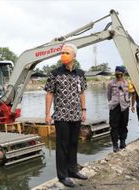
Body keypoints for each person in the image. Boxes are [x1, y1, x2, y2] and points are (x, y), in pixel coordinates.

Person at [44, 43, 88, 188]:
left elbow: (81, 93)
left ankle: (72, 170)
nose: (63, 55)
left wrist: (84, 110)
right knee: (62, 146)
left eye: (67, 53)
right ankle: (62, 176)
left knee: (74, 144)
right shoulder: (55, 73)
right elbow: (49, 94)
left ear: (74, 56)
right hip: (61, 116)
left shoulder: (80, 74)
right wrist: (47, 114)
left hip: (76, 115)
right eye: (62, 52)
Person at [107, 66, 134, 152]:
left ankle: (123, 142)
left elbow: (131, 94)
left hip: (125, 107)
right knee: (114, 126)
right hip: (114, 107)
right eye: (117, 74)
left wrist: (129, 103)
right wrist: (113, 102)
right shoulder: (111, 83)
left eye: (120, 74)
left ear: (123, 74)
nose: (118, 76)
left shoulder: (127, 83)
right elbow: (108, 95)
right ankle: (115, 145)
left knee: (124, 124)